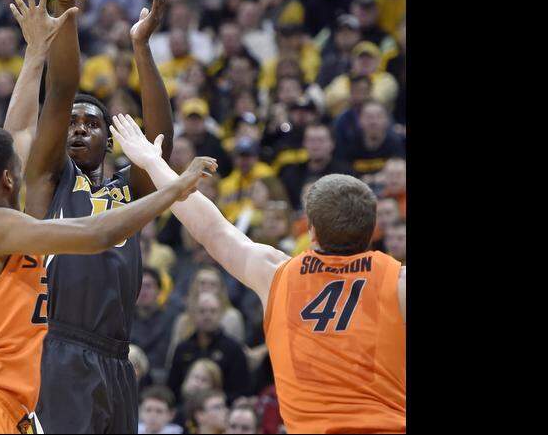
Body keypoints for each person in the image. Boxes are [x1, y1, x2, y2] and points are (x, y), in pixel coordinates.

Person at [111, 114, 406, 433]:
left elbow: (211, 228)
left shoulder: (278, 275)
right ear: (373, 230)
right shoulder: (398, 282)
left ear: (311, 231)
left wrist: (153, 163)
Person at [0, 126, 213, 434]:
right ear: (8, 179)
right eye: (18, 167)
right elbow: (97, 234)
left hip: (0, 408)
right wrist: (176, 187)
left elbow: (20, 125)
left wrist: (45, 88)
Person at [25, 0, 181, 433]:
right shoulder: (49, 178)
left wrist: (141, 46)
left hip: (116, 356)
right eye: (72, 124)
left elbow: (160, 145)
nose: (78, 129)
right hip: (60, 348)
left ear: (109, 141)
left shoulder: (127, 191)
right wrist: (67, 12)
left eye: (91, 124)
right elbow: (60, 91)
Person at [166, 291, 250, 402]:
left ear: (220, 314)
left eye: (213, 311)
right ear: (193, 315)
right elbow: (171, 389)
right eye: (202, 311)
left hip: (222, 408)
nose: (207, 316)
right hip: (185, 407)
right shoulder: (182, 348)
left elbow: (241, 393)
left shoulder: (234, 349)